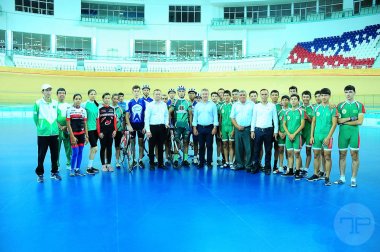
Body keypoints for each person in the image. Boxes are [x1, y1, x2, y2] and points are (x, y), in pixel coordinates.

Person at [335, 85, 365, 187]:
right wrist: (351, 119)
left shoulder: (359, 105)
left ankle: (353, 179)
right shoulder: (340, 106)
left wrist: (344, 122)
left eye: (350, 92)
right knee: (342, 155)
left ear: (354, 93)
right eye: (346, 92)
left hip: (354, 135)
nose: (348, 94)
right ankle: (342, 177)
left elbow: (360, 122)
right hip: (343, 135)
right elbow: (338, 121)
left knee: (354, 156)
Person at [307, 88, 338, 186]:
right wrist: (311, 136)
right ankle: (316, 174)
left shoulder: (333, 108)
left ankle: (327, 177)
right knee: (316, 155)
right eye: (322, 95)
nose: (323, 97)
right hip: (316, 136)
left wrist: (328, 137)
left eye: (325, 95)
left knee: (327, 156)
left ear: (329, 96)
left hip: (326, 136)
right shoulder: (316, 108)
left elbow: (334, 124)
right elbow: (313, 122)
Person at [34, 83, 61, 182]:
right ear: (42, 92)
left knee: (55, 154)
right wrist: (41, 127)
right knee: (41, 155)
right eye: (46, 90)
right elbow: (35, 118)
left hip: (54, 133)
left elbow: (57, 116)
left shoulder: (55, 103)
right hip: (42, 134)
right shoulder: (37, 103)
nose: (48, 92)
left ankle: (54, 172)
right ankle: (40, 174)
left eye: (49, 90)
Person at [250, 89, 278, 175]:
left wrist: (276, 131)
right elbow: (253, 118)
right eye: (262, 94)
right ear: (260, 95)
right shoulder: (256, 106)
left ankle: (267, 167)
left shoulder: (272, 106)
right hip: (258, 130)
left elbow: (275, 119)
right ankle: (256, 166)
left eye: (266, 94)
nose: (264, 96)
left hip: (269, 131)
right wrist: (252, 130)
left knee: (268, 150)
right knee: (256, 150)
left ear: (268, 95)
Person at [192, 88, 218, 168]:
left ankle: (209, 163)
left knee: (209, 145)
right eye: (203, 94)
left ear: (208, 94)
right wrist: (194, 128)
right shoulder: (197, 105)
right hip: (200, 128)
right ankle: (201, 162)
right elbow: (195, 117)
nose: (205, 95)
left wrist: (215, 127)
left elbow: (215, 117)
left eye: (206, 94)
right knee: (201, 146)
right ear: (201, 95)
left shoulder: (212, 105)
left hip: (210, 128)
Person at [145, 89, 169, 170]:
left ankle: (160, 164)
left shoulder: (164, 105)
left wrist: (166, 123)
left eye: (159, 94)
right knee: (151, 146)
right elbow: (146, 118)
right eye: (156, 94)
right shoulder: (150, 105)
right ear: (153, 95)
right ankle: (151, 164)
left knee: (160, 147)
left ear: (160, 95)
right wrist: (148, 130)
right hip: (152, 127)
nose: (158, 95)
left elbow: (166, 115)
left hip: (162, 127)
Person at [282, 94, 305, 180]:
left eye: (295, 99)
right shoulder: (286, 111)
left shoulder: (301, 111)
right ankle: (290, 171)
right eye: (292, 99)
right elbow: (284, 124)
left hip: (297, 136)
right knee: (289, 154)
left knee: (297, 154)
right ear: (290, 101)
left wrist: (294, 134)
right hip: (288, 136)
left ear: (298, 101)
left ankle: (298, 172)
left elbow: (302, 125)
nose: (293, 101)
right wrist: (288, 134)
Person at [230, 90, 254, 171]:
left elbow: (255, 117)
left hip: (248, 129)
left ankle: (248, 165)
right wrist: (237, 126)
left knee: (249, 148)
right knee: (238, 147)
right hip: (238, 129)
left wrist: (252, 130)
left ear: (246, 95)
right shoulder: (235, 105)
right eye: (241, 95)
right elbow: (232, 117)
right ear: (238, 96)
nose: (242, 96)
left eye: (244, 95)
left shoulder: (251, 104)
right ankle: (240, 164)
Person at [169, 86, 193, 168]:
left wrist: (191, 125)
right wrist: (170, 124)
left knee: (186, 143)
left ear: (184, 92)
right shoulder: (175, 102)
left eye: (183, 91)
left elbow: (190, 115)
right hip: (177, 127)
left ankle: (185, 160)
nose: (181, 92)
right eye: (180, 91)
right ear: (178, 92)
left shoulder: (188, 102)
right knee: (177, 143)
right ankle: (175, 160)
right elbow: (169, 112)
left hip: (186, 127)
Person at [66, 94, 88, 177]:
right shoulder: (69, 110)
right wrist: (72, 136)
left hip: (81, 135)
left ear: (81, 100)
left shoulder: (83, 110)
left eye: (79, 99)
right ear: (73, 100)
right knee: (75, 152)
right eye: (76, 99)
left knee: (80, 152)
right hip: (73, 135)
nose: (78, 100)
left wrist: (87, 136)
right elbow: (68, 124)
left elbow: (85, 124)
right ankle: (72, 169)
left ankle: (77, 169)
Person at [126, 85, 147, 168]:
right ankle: (134, 160)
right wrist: (129, 125)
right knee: (132, 143)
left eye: (138, 91)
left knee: (141, 143)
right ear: (132, 92)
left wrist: (145, 126)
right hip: (132, 125)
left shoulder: (143, 102)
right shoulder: (130, 102)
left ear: (140, 92)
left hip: (141, 125)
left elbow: (146, 115)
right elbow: (127, 116)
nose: (136, 93)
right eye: (135, 91)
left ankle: (140, 160)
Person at [97, 93, 117, 172]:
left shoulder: (112, 108)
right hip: (103, 132)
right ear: (103, 99)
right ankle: (103, 165)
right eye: (106, 98)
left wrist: (115, 130)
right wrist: (99, 132)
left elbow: (114, 121)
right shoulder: (99, 109)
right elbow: (97, 122)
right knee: (103, 147)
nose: (107, 99)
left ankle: (108, 164)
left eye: (109, 98)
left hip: (111, 132)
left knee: (109, 148)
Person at [82, 89, 100, 175]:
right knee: (95, 148)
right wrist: (84, 132)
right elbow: (81, 117)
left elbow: (97, 118)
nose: (93, 95)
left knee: (92, 149)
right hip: (89, 129)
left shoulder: (97, 105)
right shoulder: (85, 104)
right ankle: (88, 168)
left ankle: (90, 166)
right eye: (91, 94)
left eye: (94, 94)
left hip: (96, 129)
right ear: (88, 95)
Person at [56, 88, 72, 171]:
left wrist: (66, 127)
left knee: (68, 147)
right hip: (57, 130)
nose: (61, 94)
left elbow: (70, 117)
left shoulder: (68, 105)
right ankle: (56, 165)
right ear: (57, 95)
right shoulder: (54, 105)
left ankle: (69, 163)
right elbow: (52, 118)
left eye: (63, 93)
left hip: (66, 130)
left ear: (65, 94)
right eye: (60, 93)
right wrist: (60, 126)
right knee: (56, 148)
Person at [274, 95, 290, 174]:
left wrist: (286, 133)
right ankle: (280, 167)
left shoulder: (291, 111)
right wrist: (279, 132)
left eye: (286, 100)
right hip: (280, 134)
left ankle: (289, 167)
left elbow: (292, 125)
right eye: (283, 100)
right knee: (280, 150)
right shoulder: (279, 112)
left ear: (289, 101)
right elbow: (277, 123)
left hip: (288, 135)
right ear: (281, 102)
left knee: (288, 152)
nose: (284, 101)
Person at [219, 90, 234, 168]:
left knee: (231, 145)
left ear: (230, 96)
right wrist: (220, 130)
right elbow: (220, 120)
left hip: (231, 127)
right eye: (225, 95)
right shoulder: (221, 106)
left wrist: (234, 130)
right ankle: (226, 161)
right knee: (225, 145)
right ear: (223, 96)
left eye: (228, 95)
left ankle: (231, 162)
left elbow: (235, 119)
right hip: (224, 128)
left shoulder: (233, 106)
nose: (226, 97)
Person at [300, 90, 314, 176]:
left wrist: (305, 114)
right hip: (300, 133)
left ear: (310, 98)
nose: (305, 98)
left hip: (309, 133)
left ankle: (306, 169)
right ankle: (300, 167)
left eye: (307, 97)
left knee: (308, 151)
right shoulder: (299, 107)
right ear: (302, 98)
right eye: (304, 97)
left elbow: (313, 121)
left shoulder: (312, 108)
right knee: (297, 151)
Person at [313, 90, 326, 178]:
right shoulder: (314, 107)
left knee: (324, 153)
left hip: (324, 134)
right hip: (316, 134)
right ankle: (317, 172)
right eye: (316, 96)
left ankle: (323, 170)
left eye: (319, 96)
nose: (318, 98)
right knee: (317, 153)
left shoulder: (329, 106)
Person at [112, 94, 125, 169]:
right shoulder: (109, 108)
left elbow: (123, 120)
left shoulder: (121, 109)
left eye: (117, 99)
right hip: (110, 131)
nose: (116, 100)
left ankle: (117, 161)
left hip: (119, 130)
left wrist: (123, 129)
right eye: (114, 98)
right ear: (112, 99)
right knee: (108, 147)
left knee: (117, 146)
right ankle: (107, 162)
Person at [270, 90, 282, 172]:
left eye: (276, 95)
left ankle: (275, 165)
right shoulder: (268, 105)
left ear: (278, 96)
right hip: (269, 130)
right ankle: (267, 165)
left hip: (278, 131)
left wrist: (279, 131)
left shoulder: (281, 106)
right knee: (268, 148)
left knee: (277, 148)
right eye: (273, 95)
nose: (274, 96)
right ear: (270, 96)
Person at [188, 88, 199, 164]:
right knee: (185, 141)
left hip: (195, 126)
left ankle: (195, 157)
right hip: (186, 125)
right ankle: (184, 158)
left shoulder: (198, 104)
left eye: (193, 93)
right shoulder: (186, 102)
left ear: (195, 95)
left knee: (196, 142)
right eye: (190, 93)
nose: (191, 94)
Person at [211, 91, 223, 166]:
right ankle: (210, 158)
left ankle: (219, 158)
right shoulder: (209, 105)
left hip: (218, 127)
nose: (214, 97)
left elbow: (221, 117)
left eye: (216, 96)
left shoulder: (219, 106)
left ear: (218, 97)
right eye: (213, 96)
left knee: (219, 143)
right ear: (211, 97)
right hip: (209, 126)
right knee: (209, 143)